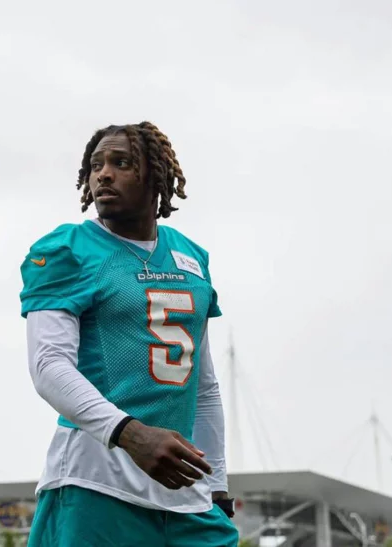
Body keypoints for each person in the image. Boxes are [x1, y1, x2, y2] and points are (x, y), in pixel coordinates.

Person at [19, 122, 238, 546]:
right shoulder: (68, 250)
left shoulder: (190, 257)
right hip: (97, 484)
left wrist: (217, 486)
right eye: (96, 165)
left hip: (186, 496)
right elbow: (47, 365)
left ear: (155, 178)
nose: (103, 174)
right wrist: (132, 434)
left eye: (121, 163)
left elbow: (203, 386)